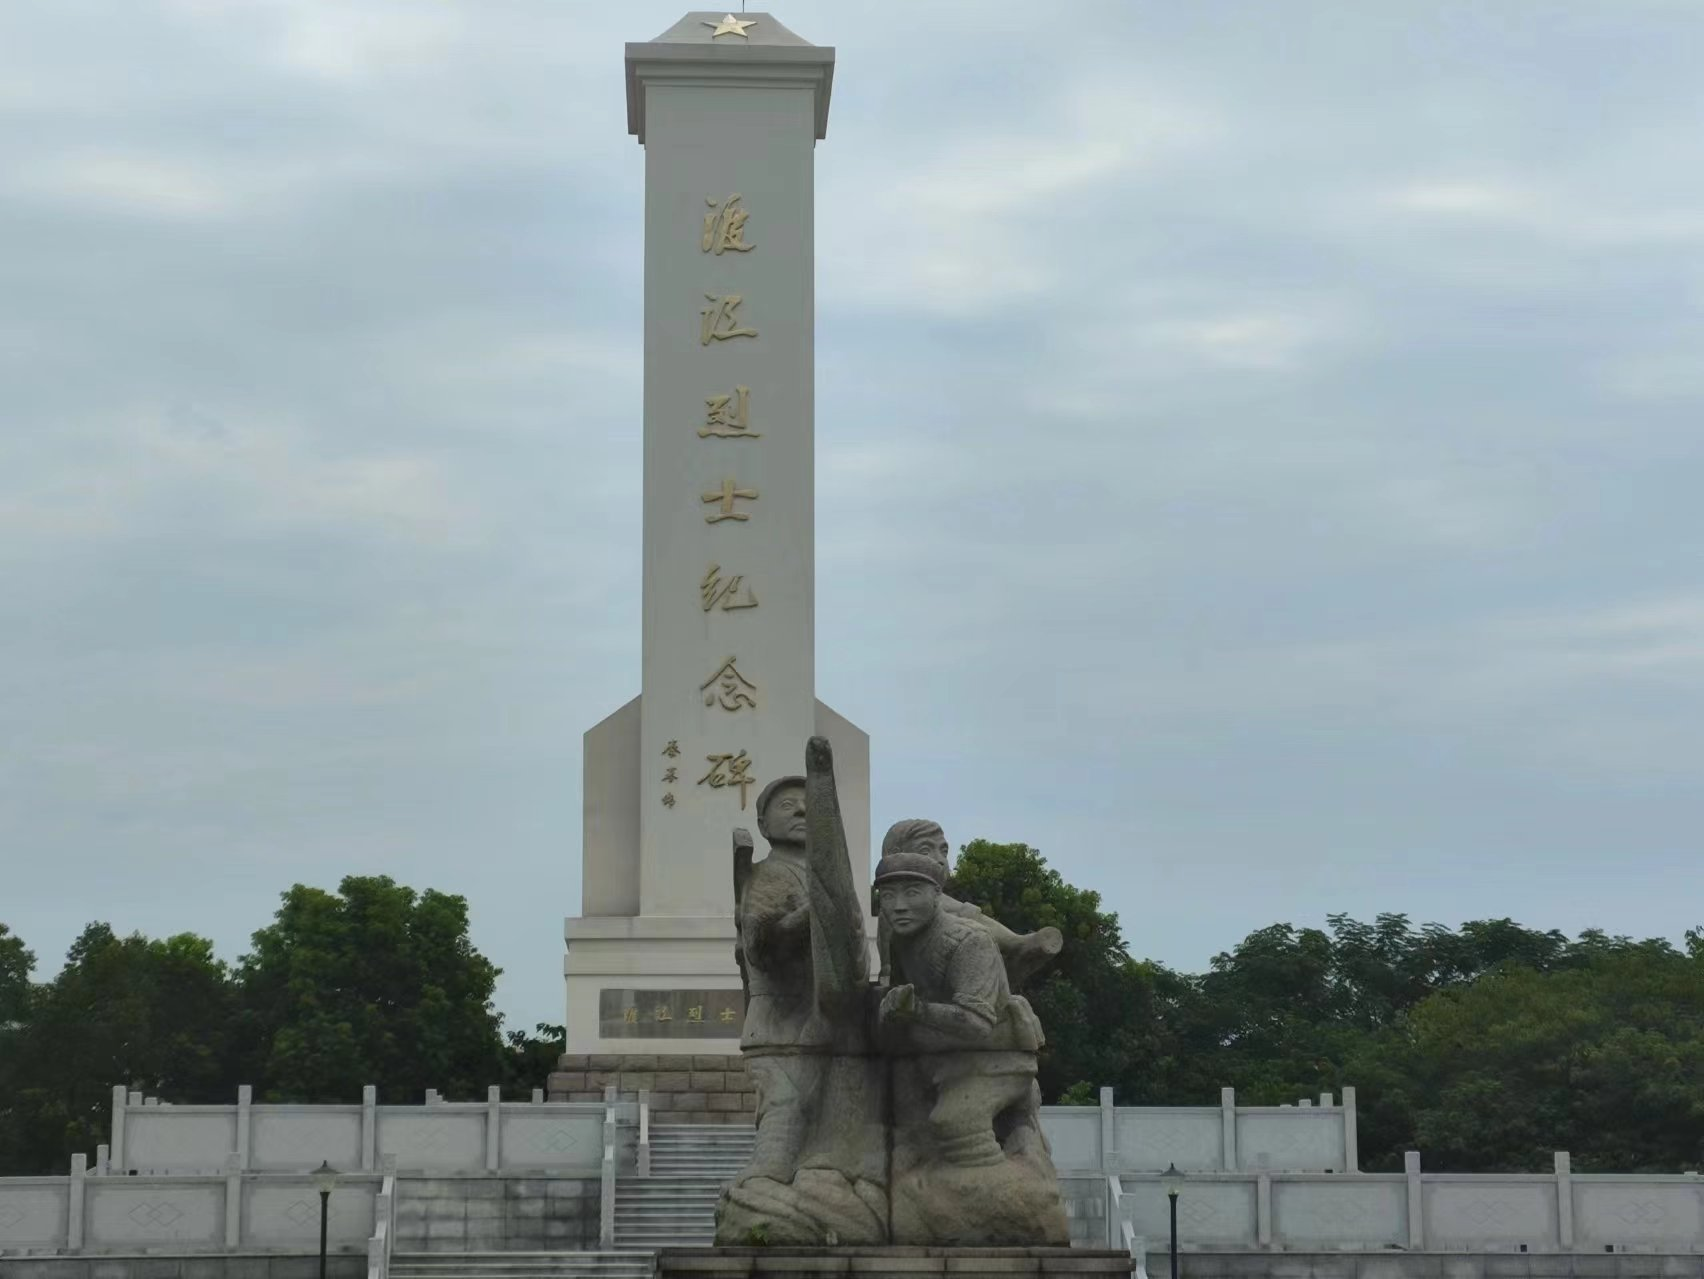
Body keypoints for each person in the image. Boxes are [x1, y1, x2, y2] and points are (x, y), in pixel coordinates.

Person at [873, 819, 1062, 988]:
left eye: (943, 851)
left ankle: (1017, 944)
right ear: (895, 856)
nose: (940, 860)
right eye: (925, 851)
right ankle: (1016, 943)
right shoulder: (903, 906)